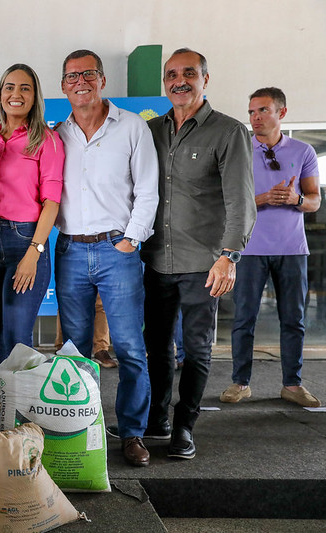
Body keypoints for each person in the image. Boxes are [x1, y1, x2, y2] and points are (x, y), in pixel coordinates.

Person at [143, 48, 256, 460]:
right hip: (155, 260)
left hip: (203, 265)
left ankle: (185, 426)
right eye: (171, 74)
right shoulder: (151, 131)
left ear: (205, 79)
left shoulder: (228, 132)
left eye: (188, 73)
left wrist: (229, 255)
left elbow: (242, 202)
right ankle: (157, 419)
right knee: (156, 346)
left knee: (196, 348)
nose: (179, 80)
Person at [53, 50, 159, 467]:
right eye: (72, 75)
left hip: (118, 249)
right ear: (63, 86)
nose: (81, 81)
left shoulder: (132, 127)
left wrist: (131, 241)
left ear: (102, 80)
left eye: (89, 74)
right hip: (70, 251)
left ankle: (132, 433)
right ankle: (84, 425)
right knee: (76, 350)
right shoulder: (55, 134)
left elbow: (148, 190)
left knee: (130, 348)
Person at [221, 87, 321, 407]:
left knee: (294, 319)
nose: (256, 118)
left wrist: (296, 200)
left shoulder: (303, 151)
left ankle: (292, 384)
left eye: (263, 110)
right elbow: (226, 204)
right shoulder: (240, 150)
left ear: (282, 113)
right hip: (248, 249)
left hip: (292, 249)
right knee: (243, 319)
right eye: (251, 112)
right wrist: (262, 200)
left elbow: (314, 202)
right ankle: (240, 383)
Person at [0, 64, 63, 397]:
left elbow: (51, 204)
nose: (16, 94)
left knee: (17, 336)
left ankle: (19, 419)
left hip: (26, 240)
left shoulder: (47, 139)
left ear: (35, 95)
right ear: (0, 95)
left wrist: (34, 253)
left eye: (25, 88)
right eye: (9, 87)